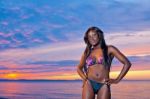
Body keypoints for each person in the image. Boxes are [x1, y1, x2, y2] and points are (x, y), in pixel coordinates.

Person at [77, 26, 131, 99]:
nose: (92, 38)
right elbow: (79, 68)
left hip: (104, 84)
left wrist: (117, 80)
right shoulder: (88, 52)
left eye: (94, 35)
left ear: (99, 35)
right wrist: (85, 79)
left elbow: (127, 63)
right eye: (89, 37)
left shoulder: (110, 49)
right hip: (89, 83)